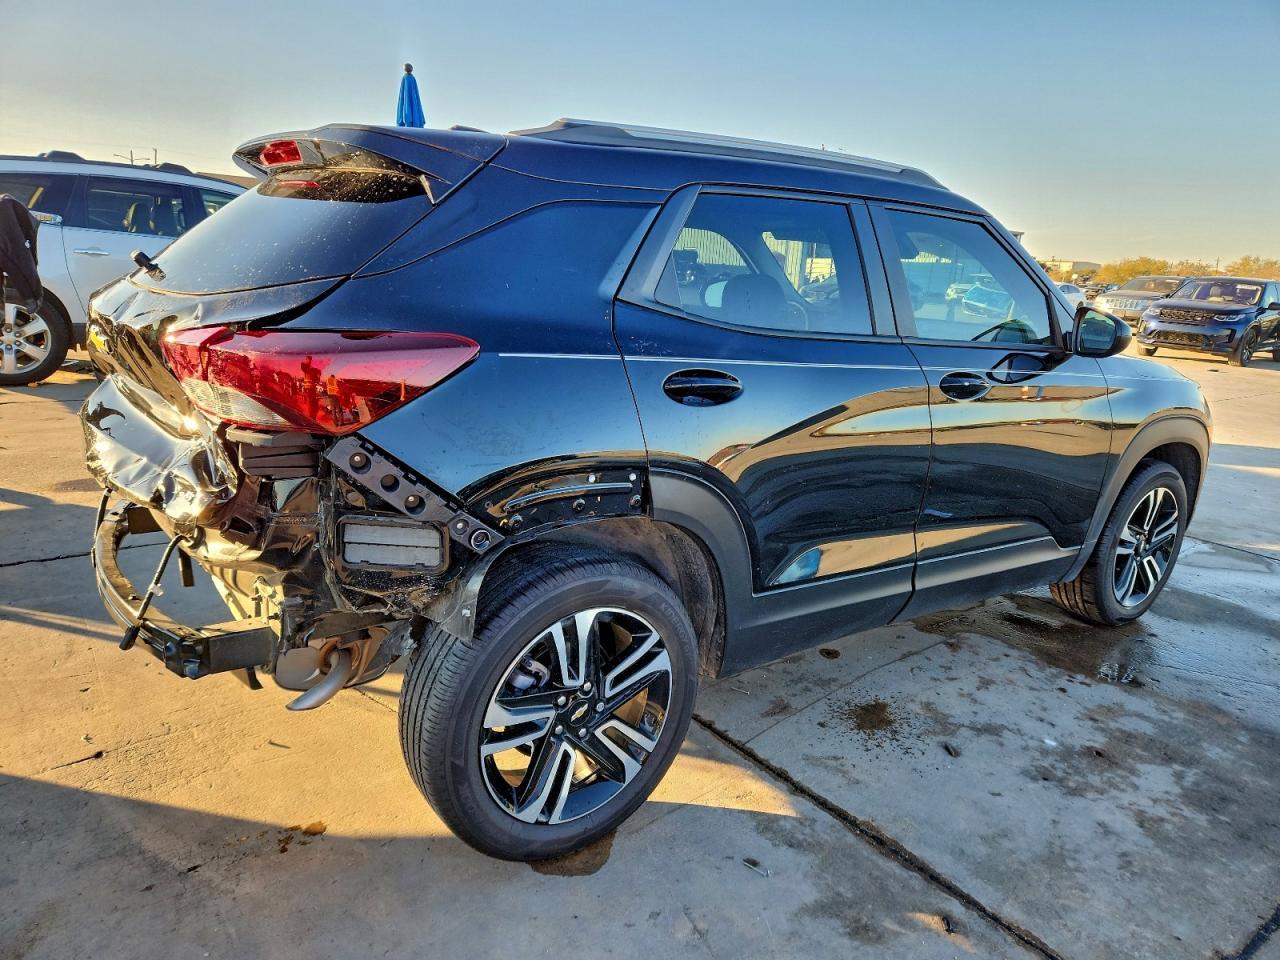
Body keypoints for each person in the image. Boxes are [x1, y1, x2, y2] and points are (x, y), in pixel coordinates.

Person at [397, 63, 425, 128]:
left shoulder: (407, 78)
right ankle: (412, 119)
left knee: (408, 101)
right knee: (410, 101)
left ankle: (410, 119)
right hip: (411, 105)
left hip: (409, 105)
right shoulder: (409, 78)